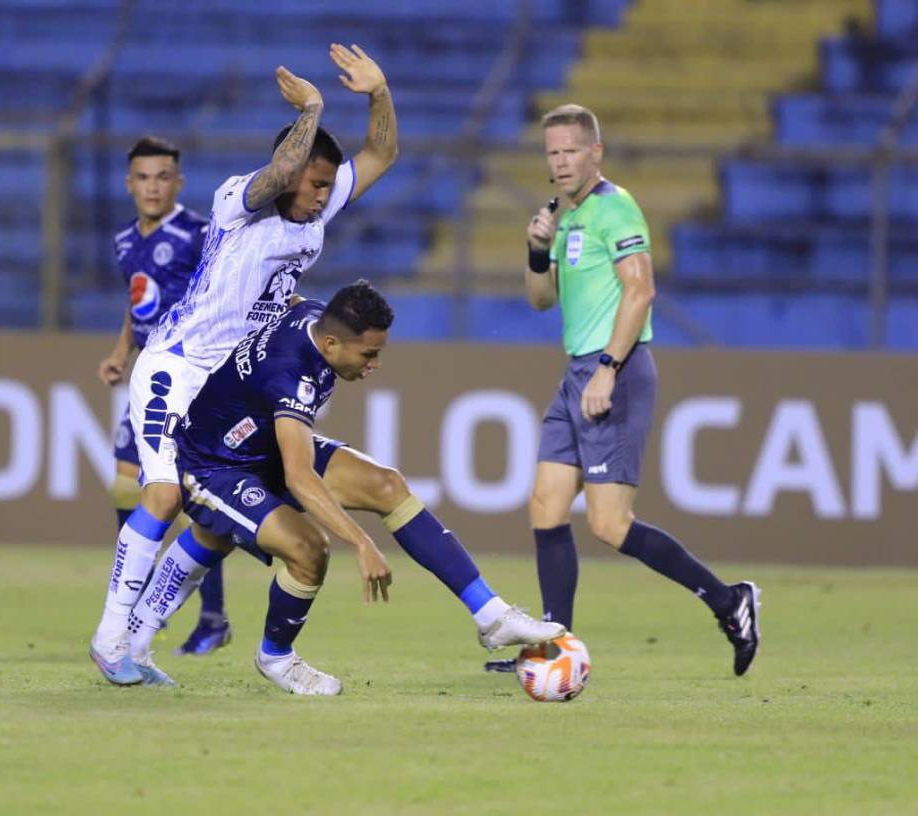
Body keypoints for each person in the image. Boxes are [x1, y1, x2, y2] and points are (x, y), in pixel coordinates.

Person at [89, 44, 400, 686]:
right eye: (315, 185)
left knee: (217, 525)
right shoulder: (240, 201)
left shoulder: (315, 209)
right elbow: (283, 170)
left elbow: (381, 154)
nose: (322, 197)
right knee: (164, 494)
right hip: (177, 366)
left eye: (327, 187)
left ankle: (140, 642)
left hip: (228, 386)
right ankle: (110, 637)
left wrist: (379, 92)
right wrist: (312, 109)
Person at [124, 281, 565, 693]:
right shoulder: (291, 375)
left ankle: (492, 616)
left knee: (386, 486)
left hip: (260, 444)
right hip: (213, 465)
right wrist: (361, 543)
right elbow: (300, 477)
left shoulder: (315, 317)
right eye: (368, 354)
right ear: (332, 344)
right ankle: (276, 657)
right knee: (307, 548)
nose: (374, 365)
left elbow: (288, 300)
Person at [487, 104, 761, 676]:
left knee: (609, 524)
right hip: (578, 373)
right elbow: (541, 299)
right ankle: (555, 646)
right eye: (552, 153)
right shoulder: (567, 216)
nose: (561, 162)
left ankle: (728, 601)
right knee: (545, 506)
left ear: (596, 152)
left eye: (571, 150)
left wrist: (609, 368)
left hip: (616, 371)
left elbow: (641, 291)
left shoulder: (615, 208)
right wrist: (536, 251)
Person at [96, 136, 232, 657]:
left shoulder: (198, 235)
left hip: (190, 380)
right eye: (143, 177)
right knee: (124, 486)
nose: (153, 187)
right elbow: (137, 302)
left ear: (178, 182)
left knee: (190, 500)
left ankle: (211, 618)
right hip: (148, 379)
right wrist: (120, 352)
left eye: (162, 177)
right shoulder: (124, 241)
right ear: (129, 184)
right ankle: (133, 602)